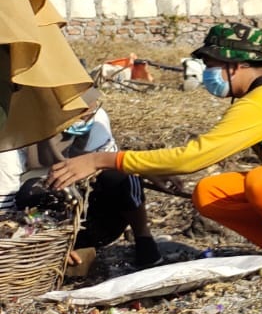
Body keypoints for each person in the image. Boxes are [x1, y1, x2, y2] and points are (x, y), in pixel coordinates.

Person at [48, 24, 262, 254]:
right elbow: (200, 161)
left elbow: (193, 158)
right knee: (211, 193)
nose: (207, 73)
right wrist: (156, 173)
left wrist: (100, 159)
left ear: (233, 66)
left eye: (210, 65)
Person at [23, 87, 162, 269]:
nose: (87, 118)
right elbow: (6, 204)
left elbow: (111, 162)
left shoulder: (96, 118)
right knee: (31, 190)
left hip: (88, 214)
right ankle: (55, 248)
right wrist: (47, 244)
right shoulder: (17, 135)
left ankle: (143, 237)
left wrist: (147, 169)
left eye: (90, 112)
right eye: (80, 115)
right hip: (34, 216)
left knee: (120, 172)